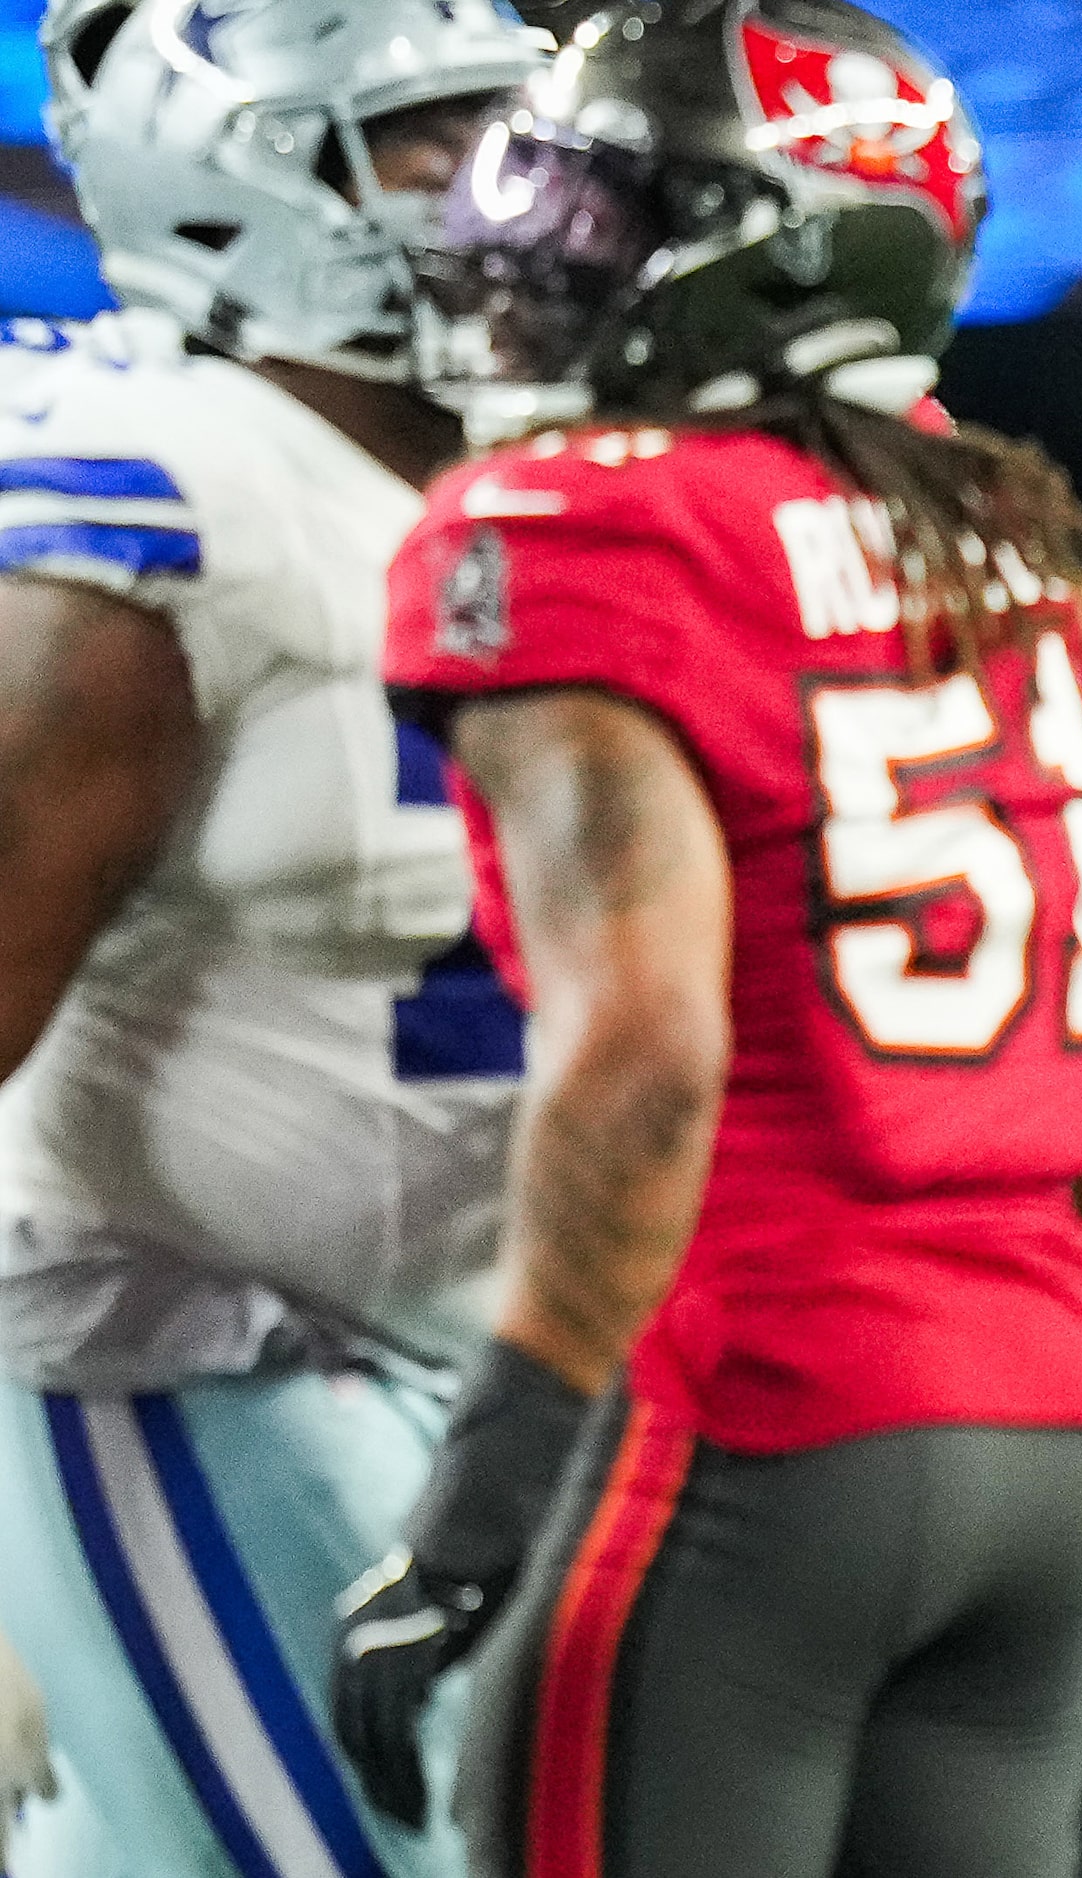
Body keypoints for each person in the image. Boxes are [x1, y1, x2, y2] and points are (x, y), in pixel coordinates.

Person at [323, 3, 1082, 1874]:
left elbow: (649, 1061)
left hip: (749, 1427)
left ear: (775, 251)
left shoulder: (579, 527)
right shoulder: (1003, 547)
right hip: (1059, 1454)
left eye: (608, 212)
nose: (533, 251)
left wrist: (475, 1507)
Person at [0, 0, 541, 1869]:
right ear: (231, 169)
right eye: (426, 141)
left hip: (479, 1369)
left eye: (510, 128)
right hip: (176, 1353)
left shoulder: (548, 476)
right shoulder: (158, 487)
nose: (503, 190)